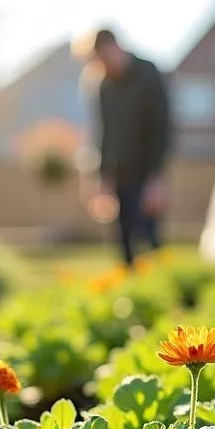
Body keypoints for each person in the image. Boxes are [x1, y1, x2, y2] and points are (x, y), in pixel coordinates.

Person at [88, 29, 171, 265]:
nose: (104, 64)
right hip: (119, 174)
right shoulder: (105, 86)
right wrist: (102, 178)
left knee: (150, 239)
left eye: (105, 58)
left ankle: (158, 282)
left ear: (114, 47)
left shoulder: (148, 74)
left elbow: (161, 128)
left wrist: (156, 178)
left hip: (146, 173)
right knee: (124, 241)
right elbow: (104, 133)